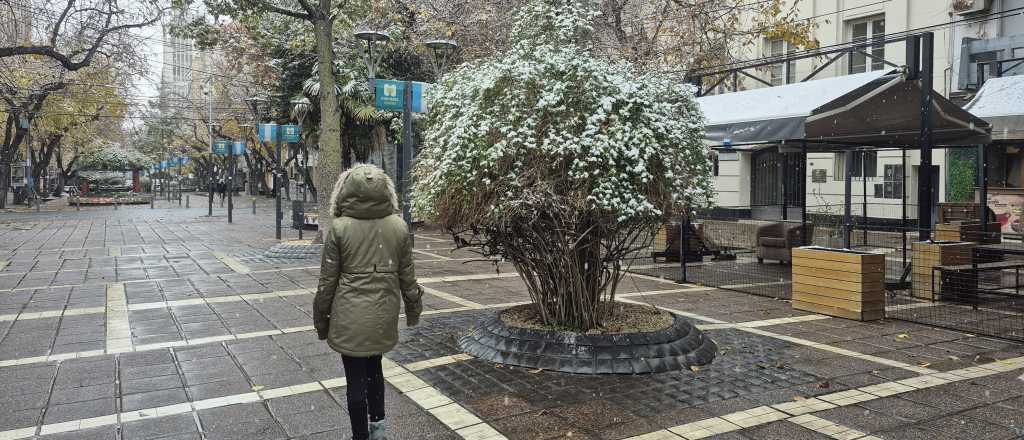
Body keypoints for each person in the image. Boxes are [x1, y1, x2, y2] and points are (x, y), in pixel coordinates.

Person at [314, 164, 422, 440]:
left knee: (355, 381)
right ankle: (378, 432)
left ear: (345, 191)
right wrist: (413, 310)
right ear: (386, 192)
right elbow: (408, 277)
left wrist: (321, 320)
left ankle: (360, 436)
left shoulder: (339, 228)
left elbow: (327, 283)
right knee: (375, 371)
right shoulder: (398, 226)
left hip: (349, 316)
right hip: (383, 315)